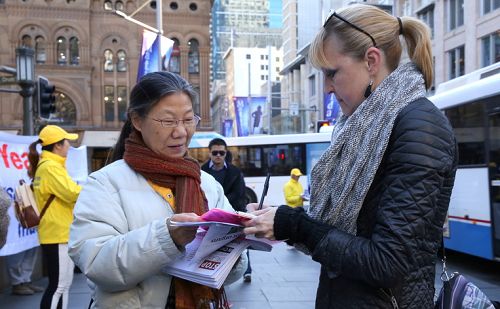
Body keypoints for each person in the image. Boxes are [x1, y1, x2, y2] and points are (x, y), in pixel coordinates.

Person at [243, 4, 457, 308]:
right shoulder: (359, 124)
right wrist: (279, 219)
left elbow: (387, 263)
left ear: (371, 61)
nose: (328, 88)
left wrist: (295, 225)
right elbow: (341, 233)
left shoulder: (419, 127)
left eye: (332, 73)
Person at [68, 71, 246, 308]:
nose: (181, 131)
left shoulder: (207, 183)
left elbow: (231, 274)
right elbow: (96, 263)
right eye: (168, 121)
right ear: (137, 121)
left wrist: (237, 240)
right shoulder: (105, 183)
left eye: (188, 119)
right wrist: (166, 237)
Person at [27, 124, 82, 308]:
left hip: (58, 232)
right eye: (67, 141)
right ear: (58, 145)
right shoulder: (51, 167)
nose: (69, 145)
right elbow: (72, 192)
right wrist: (91, 188)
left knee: (62, 286)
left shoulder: (48, 166)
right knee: (59, 286)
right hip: (57, 233)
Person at [201, 139, 253, 282]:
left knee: (241, 242)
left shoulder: (235, 171)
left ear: (226, 153)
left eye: (222, 152)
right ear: (210, 153)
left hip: (232, 213)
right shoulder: (202, 172)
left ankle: (247, 270)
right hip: (210, 217)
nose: (218, 155)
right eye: (215, 152)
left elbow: (239, 193)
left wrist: (221, 201)